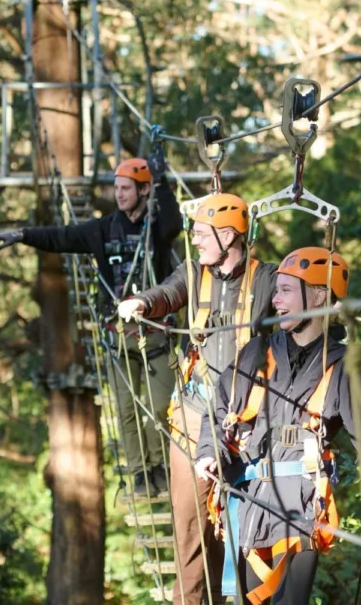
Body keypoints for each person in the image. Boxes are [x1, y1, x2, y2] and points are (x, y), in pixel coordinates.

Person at [193, 247, 361, 605]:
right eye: (276, 291)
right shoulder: (258, 352)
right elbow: (219, 409)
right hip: (250, 499)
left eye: (286, 291)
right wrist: (208, 450)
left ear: (319, 295)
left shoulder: (342, 368)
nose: (276, 301)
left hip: (302, 503)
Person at [118, 193, 279, 605]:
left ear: (229, 236)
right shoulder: (193, 273)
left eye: (203, 234)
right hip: (194, 413)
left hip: (247, 420)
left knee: (247, 528)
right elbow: (167, 293)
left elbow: (296, 306)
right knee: (191, 527)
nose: (196, 241)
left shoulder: (266, 280)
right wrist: (142, 303)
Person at [0, 156, 181, 495]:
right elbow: (62, 237)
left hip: (157, 333)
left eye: (126, 189)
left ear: (144, 190)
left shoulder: (157, 228)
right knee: (125, 409)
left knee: (158, 408)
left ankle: (160, 468)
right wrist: (21, 235)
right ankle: (140, 474)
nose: (119, 195)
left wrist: (163, 182)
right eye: (116, 188)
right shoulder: (103, 229)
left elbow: (174, 222)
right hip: (119, 333)